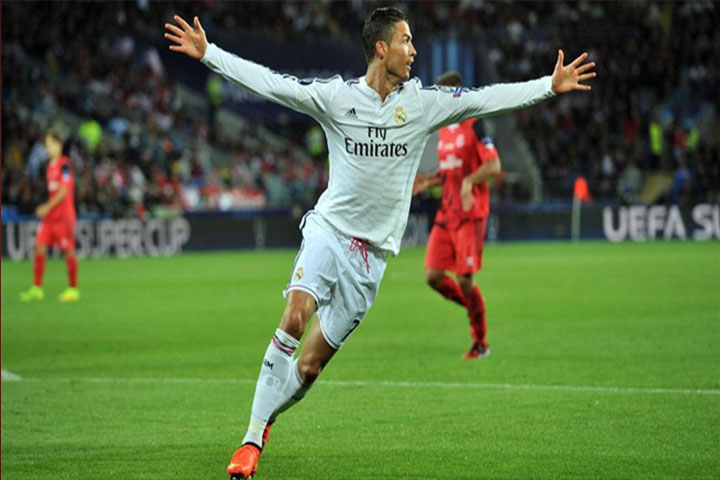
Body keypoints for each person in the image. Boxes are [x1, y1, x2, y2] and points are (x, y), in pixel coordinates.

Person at [165, 7, 595, 479]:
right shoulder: (337, 97)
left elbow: (485, 99)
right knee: (294, 316)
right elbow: (271, 84)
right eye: (406, 41)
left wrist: (547, 86)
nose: (414, 51)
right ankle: (250, 441)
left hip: (371, 261)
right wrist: (210, 55)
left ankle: (266, 419)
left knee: (309, 370)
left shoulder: (424, 104)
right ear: (381, 48)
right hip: (329, 232)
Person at [413, 70, 501, 360]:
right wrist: (428, 182)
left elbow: (494, 166)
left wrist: (469, 182)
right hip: (447, 214)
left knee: (464, 280)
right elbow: (450, 171)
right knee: (433, 276)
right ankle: (474, 306)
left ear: (456, 96)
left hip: (470, 214)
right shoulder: (446, 131)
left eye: (442, 96)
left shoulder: (476, 125)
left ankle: (480, 343)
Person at [20, 130, 80, 303]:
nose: (49, 148)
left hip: (64, 216)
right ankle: (37, 289)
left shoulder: (65, 165)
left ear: (59, 145)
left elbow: (64, 191)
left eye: (52, 144)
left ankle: (73, 289)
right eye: (47, 145)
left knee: (67, 251)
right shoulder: (49, 166)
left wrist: (46, 206)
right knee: (40, 246)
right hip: (51, 217)